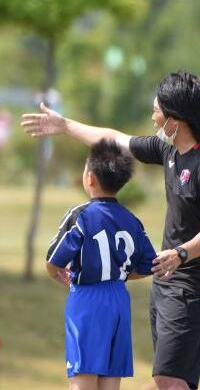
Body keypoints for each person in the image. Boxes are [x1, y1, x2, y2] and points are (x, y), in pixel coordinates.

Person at [22, 70, 200, 390]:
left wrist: (182, 252)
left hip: (188, 279)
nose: (153, 117)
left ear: (176, 118)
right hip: (171, 281)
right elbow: (113, 138)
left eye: (157, 110)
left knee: (170, 383)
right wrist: (65, 126)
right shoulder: (168, 151)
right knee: (170, 381)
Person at [46, 139, 156, 390]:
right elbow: (149, 264)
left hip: (87, 299)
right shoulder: (132, 219)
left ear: (90, 177)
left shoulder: (81, 215)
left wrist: (57, 274)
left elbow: (54, 260)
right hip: (119, 300)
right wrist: (117, 273)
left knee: (83, 380)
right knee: (109, 383)